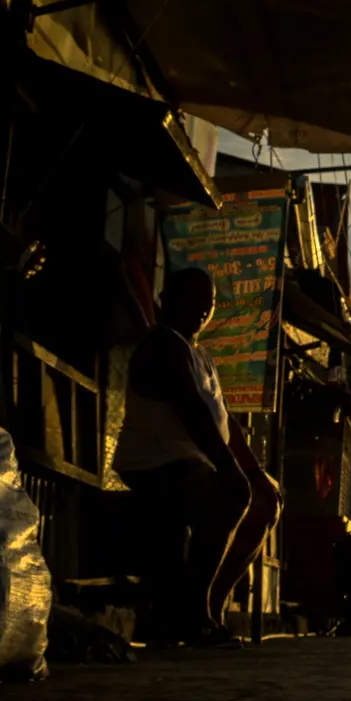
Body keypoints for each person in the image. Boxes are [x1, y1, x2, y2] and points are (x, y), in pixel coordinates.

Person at [113, 267, 280, 646]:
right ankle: (192, 610)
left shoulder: (199, 352)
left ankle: (208, 607)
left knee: (266, 499)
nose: (202, 308)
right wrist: (231, 471)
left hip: (191, 464)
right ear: (166, 299)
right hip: (156, 464)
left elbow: (223, 420)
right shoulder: (164, 344)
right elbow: (194, 414)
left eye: (209, 301)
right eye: (192, 298)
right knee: (231, 492)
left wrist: (253, 470)